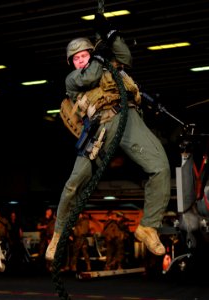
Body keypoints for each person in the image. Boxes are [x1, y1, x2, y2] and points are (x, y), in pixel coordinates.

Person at [45, 13, 171, 261]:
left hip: (127, 119)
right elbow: (89, 77)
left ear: (90, 54)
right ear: (72, 63)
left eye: (85, 56)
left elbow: (126, 57)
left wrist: (111, 35)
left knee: (160, 167)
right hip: (98, 128)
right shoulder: (74, 79)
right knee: (73, 184)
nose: (81, 61)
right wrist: (98, 59)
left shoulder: (106, 62)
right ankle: (58, 236)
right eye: (77, 58)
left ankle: (148, 227)